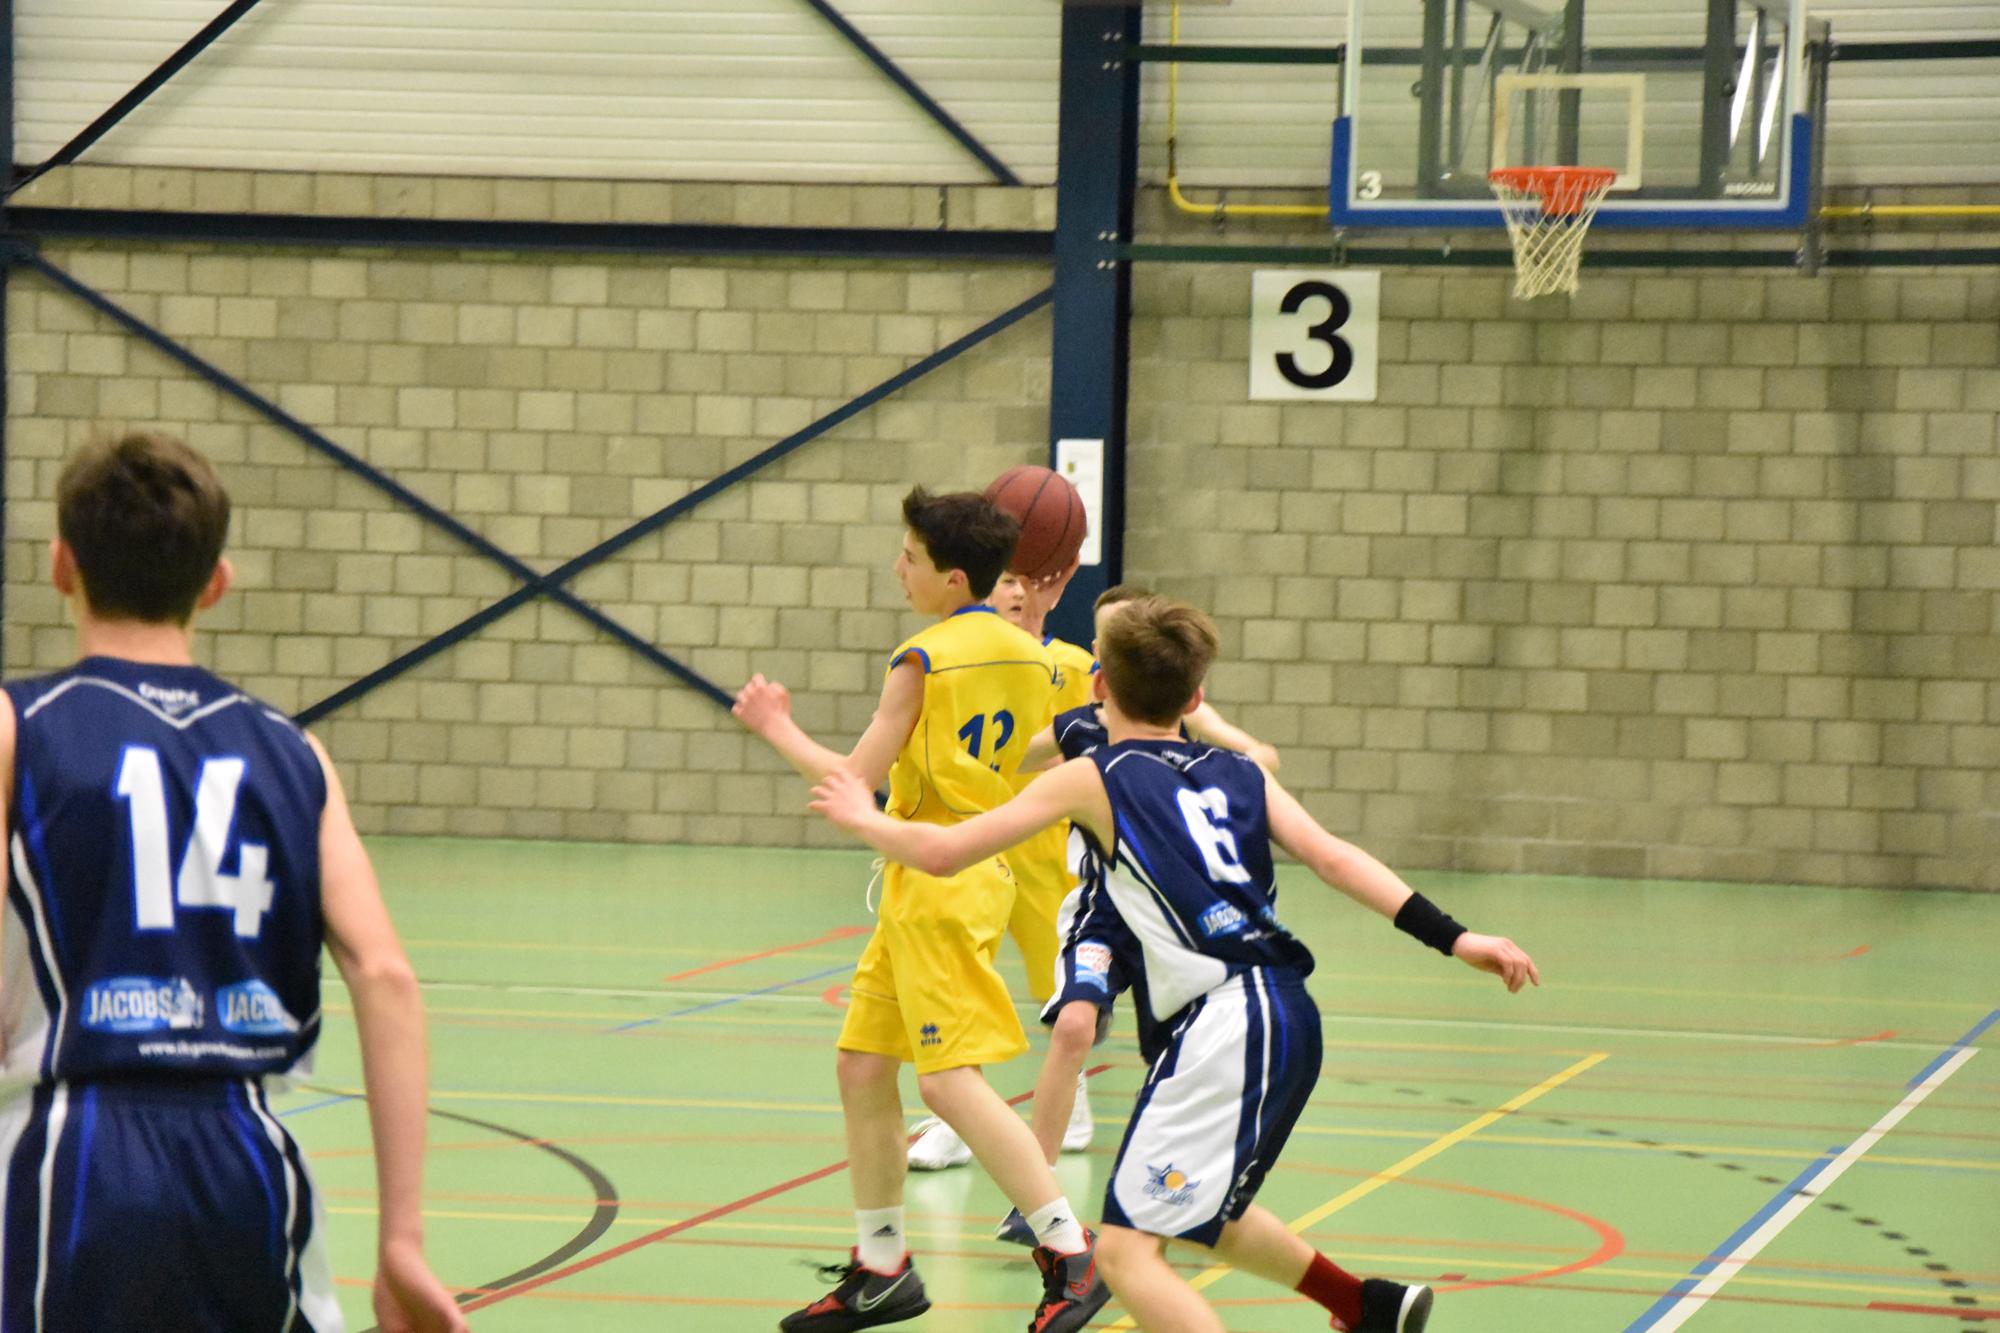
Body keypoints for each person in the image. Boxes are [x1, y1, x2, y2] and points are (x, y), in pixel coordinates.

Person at [810, 595, 1540, 1333]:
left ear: (1100, 687)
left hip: (1223, 1021)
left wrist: (862, 813)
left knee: (1124, 1254)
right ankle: (1361, 1304)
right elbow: (1333, 857)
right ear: (1194, 699)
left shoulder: (1094, 773)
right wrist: (1458, 937)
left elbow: (943, 852)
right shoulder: (1241, 771)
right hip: (1286, 1012)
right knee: (1198, 1210)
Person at [0, 433, 464, 1333]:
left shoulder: (21, 725)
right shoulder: (296, 752)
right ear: (215, 583)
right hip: (247, 1160)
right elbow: (386, 975)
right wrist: (402, 1238)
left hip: (73, 1148)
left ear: (61, 565)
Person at [733, 487, 1110, 1333]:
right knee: (864, 1064)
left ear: (952, 577)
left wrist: (777, 726)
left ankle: (1069, 1248)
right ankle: (882, 1266)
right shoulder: (1030, 654)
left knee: (947, 1080)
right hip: (959, 874)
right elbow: (1039, 748)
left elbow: (855, 779)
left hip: (942, 876)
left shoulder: (924, 658)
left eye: (909, 557)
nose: (897, 568)